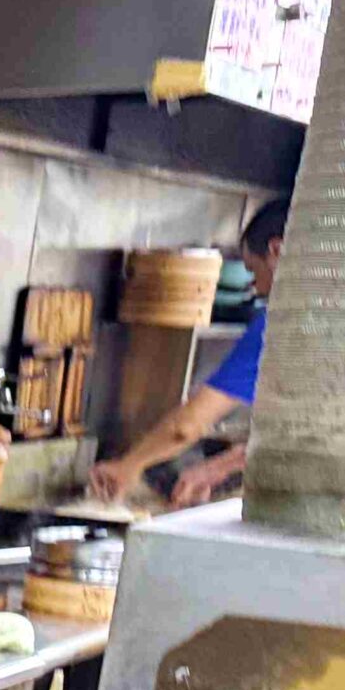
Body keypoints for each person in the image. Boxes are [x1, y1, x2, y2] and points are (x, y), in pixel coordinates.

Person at [89, 198, 286, 508]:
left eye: (254, 270)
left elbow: (188, 426)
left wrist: (128, 467)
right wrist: (222, 466)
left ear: (276, 251)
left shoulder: (282, 325)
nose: (255, 288)